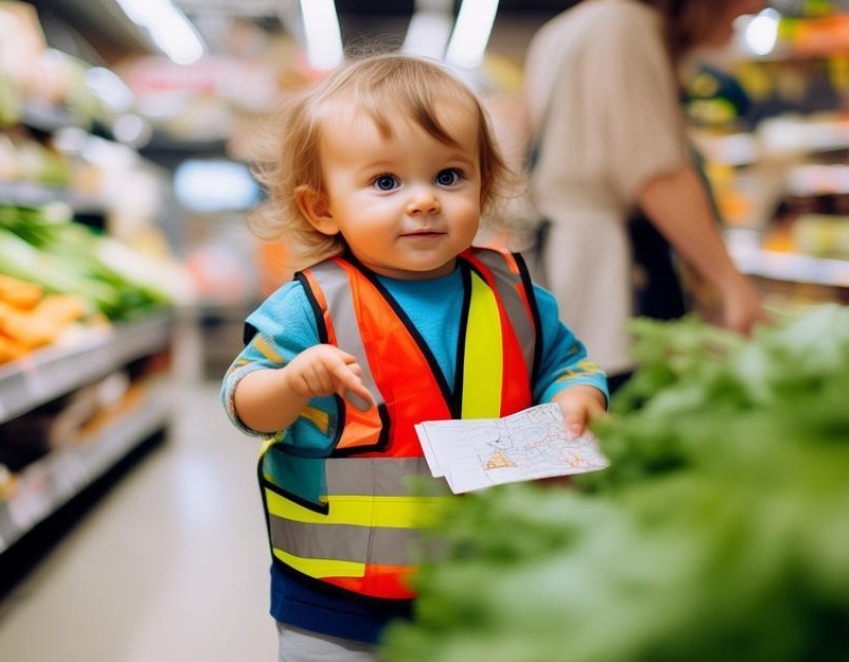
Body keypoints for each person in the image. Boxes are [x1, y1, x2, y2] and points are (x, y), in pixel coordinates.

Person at [223, 55, 608, 661]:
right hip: (336, 601)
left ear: (485, 184)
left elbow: (569, 365)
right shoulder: (312, 306)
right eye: (385, 182)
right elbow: (245, 403)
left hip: (487, 585)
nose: (425, 201)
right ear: (322, 206)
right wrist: (293, 384)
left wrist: (576, 398)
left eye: (450, 176)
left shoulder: (516, 296)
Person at [524, 0, 776, 393]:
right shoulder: (628, 26)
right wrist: (730, 284)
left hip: (567, 261)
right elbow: (656, 172)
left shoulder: (569, 26)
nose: (754, 1)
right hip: (613, 276)